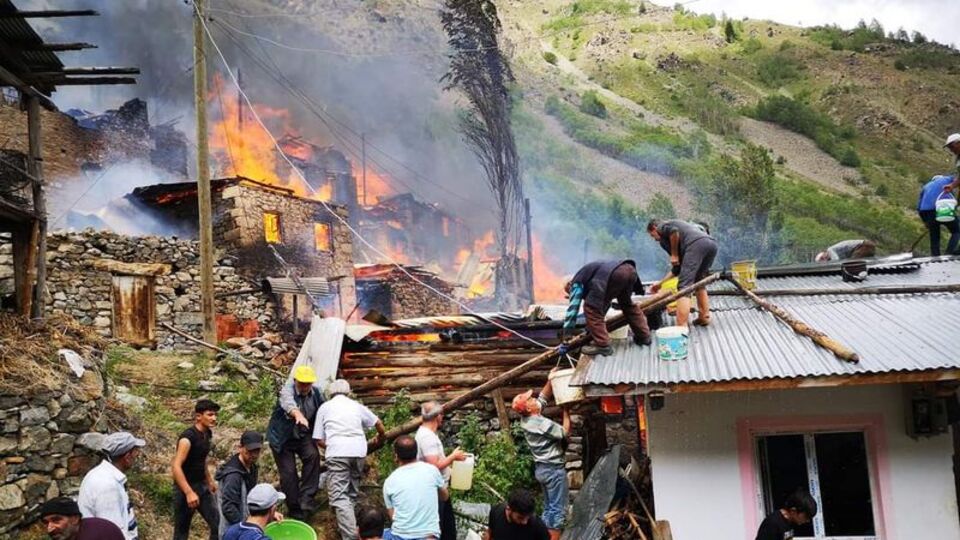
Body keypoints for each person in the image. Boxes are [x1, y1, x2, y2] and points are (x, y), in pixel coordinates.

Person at [313, 379, 387, 540]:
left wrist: (333, 445)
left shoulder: (325, 408)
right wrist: (381, 437)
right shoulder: (356, 406)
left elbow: (318, 438)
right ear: (348, 392)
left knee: (339, 496)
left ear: (330, 393)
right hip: (359, 451)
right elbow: (378, 423)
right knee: (351, 493)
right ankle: (349, 524)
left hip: (338, 451)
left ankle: (351, 536)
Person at [512, 375, 570, 540]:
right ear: (529, 408)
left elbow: (543, 399)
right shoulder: (540, 423)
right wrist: (567, 410)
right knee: (557, 510)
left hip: (542, 469)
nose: (534, 399)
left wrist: (551, 378)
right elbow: (564, 433)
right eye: (530, 399)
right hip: (553, 470)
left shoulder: (527, 419)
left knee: (548, 507)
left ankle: (541, 536)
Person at [266, 365, 325, 520]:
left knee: (313, 457)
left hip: (303, 435)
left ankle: (306, 500)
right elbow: (288, 403)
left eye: (308, 383)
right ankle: (293, 507)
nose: (305, 387)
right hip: (282, 438)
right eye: (302, 383)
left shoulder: (317, 392)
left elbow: (324, 410)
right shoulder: (287, 390)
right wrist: (297, 414)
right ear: (295, 380)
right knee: (289, 473)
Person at [563, 260, 652, 357]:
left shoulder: (576, 282)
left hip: (614, 275)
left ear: (569, 284)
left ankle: (603, 346)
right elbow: (603, 305)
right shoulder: (590, 275)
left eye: (569, 292)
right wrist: (590, 329)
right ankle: (644, 336)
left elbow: (573, 310)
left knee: (590, 308)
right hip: (629, 270)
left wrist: (566, 334)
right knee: (627, 304)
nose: (571, 294)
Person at [647, 219, 719, 327]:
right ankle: (704, 317)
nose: (654, 239)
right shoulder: (670, 240)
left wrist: (674, 254)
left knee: (684, 286)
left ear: (654, 228)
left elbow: (673, 231)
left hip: (696, 245)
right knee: (699, 281)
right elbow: (677, 268)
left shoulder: (662, 226)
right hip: (711, 244)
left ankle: (681, 326)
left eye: (652, 235)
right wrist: (660, 284)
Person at [77, 431, 145, 540]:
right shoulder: (107, 486)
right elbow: (113, 531)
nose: (136, 456)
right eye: (135, 453)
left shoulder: (103, 475)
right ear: (127, 457)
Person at [415, 402, 466, 540]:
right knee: (440, 530)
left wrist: (450, 469)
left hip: (439, 488)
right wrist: (453, 457)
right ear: (438, 417)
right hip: (435, 491)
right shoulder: (427, 437)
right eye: (441, 415)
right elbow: (433, 466)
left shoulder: (426, 433)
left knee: (448, 529)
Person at [172, 399, 221, 540]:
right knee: (181, 532)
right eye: (210, 415)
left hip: (202, 486)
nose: (214, 418)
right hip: (184, 489)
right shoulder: (187, 438)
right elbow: (176, 466)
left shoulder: (207, 434)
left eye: (215, 415)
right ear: (198, 416)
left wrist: (210, 481)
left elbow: (201, 460)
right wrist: (188, 492)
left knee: (217, 523)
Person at [382, 436, 447, 540]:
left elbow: (393, 517)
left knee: (375, 532)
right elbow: (445, 496)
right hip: (429, 536)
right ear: (416, 453)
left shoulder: (390, 481)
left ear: (396, 456)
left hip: (400, 536)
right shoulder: (432, 471)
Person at [216, 431, 263, 535]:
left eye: (257, 451)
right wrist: (245, 528)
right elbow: (229, 508)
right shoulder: (233, 476)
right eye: (250, 451)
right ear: (240, 448)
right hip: (232, 531)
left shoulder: (252, 467)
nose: (254, 455)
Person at [40, 497, 125, 540]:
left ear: (75, 519)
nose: (50, 528)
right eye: (46, 523)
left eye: (56, 520)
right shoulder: (73, 533)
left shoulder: (92, 536)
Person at [484, 488, 550, 540]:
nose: (525, 522)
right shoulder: (496, 512)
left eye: (528, 517)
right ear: (509, 509)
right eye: (520, 517)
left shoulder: (537, 525)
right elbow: (489, 533)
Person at [918, 174, 960, 256]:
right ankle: (949, 253)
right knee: (956, 231)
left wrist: (926, 222)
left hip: (928, 212)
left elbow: (919, 207)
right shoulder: (948, 179)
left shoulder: (926, 186)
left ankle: (935, 256)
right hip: (943, 209)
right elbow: (957, 181)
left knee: (934, 237)